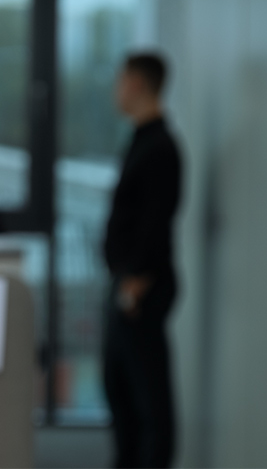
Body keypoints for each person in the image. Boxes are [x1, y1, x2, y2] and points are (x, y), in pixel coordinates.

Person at [102, 52, 182, 469]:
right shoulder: (142, 138)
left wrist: (135, 283)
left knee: (148, 399)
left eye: (120, 81)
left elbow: (156, 220)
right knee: (120, 389)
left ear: (136, 84)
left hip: (140, 290)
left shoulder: (161, 146)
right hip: (126, 284)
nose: (117, 90)